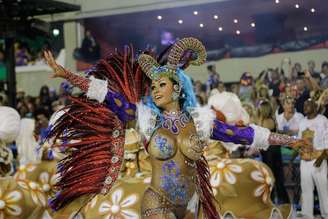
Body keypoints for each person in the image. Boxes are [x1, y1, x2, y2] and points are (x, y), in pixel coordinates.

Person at [43, 38, 304, 218]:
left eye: (162, 85)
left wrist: (290, 141)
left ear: (177, 88)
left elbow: (244, 134)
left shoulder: (201, 122)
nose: (155, 90)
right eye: (153, 86)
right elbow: (109, 96)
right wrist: (68, 75)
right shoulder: (146, 119)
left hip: (193, 203)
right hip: (157, 202)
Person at [298, 99, 328, 219]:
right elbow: (300, 141)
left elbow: (327, 140)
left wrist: (322, 157)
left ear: (315, 106)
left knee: (323, 188)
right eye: (304, 105)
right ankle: (307, 215)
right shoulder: (302, 122)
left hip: (319, 158)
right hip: (305, 160)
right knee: (306, 189)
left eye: (307, 104)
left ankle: (326, 214)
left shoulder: (323, 120)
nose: (305, 107)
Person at [256, 100, 290, 204]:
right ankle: (280, 201)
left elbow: (263, 138)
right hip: (271, 151)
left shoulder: (267, 121)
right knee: (274, 178)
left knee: (273, 178)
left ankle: (279, 202)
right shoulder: (269, 120)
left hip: (271, 152)